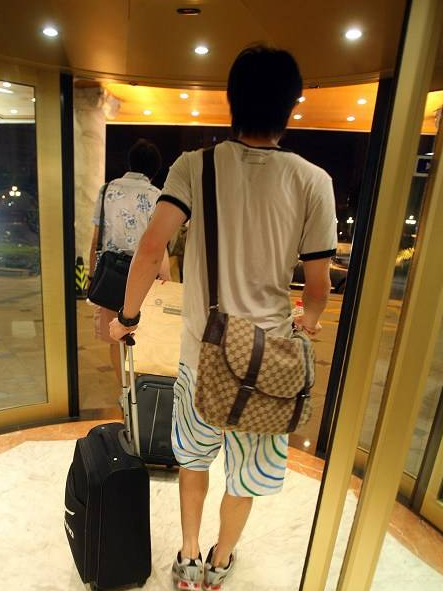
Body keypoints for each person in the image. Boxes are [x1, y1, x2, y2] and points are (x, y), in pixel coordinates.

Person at [110, 45, 337, 590]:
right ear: (292, 105)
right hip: (268, 367)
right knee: (246, 475)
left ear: (231, 100)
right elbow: (318, 287)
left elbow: (150, 248)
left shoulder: (195, 165)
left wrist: (127, 317)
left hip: (201, 356)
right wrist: (307, 319)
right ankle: (220, 562)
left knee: (194, 460)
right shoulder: (314, 181)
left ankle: (188, 558)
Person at [89, 138, 170, 394]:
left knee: (116, 339)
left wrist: (91, 276)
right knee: (142, 336)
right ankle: (140, 392)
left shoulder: (106, 190)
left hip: (110, 275)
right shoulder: (157, 195)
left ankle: (123, 392)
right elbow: (158, 245)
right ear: (154, 168)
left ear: (130, 162)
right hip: (145, 277)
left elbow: (96, 237)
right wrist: (167, 279)